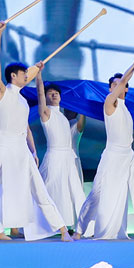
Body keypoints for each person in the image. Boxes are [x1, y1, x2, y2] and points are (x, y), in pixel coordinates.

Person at [0, 23, 72, 242]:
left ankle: (63, 229)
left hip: (21, 148)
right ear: (13, 76)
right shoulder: (2, 92)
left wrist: (33, 151)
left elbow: (26, 129)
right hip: (4, 146)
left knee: (39, 190)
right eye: (24, 73)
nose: (26, 75)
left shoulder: (23, 100)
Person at [77, 52, 134, 240]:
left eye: (121, 85)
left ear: (126, 89)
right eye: (114, 85)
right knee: (97, 194)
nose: (118, 86)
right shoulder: (110, 103)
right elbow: (125, 78)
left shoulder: (126, 108)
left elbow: (125, 81)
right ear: (110, 88)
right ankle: (79, 229)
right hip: (112, 155)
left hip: (129, 155)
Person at [35, 75, 86, 233]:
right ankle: (47, 225)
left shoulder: (64, 118)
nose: (54, 95)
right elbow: (40, 94)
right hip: (54, 157)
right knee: (50, 189)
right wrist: (39, 76)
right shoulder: (46, 113)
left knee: (74, 192)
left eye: (56, 93)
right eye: (50, 93)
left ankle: (80, 226)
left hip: (68, 159)